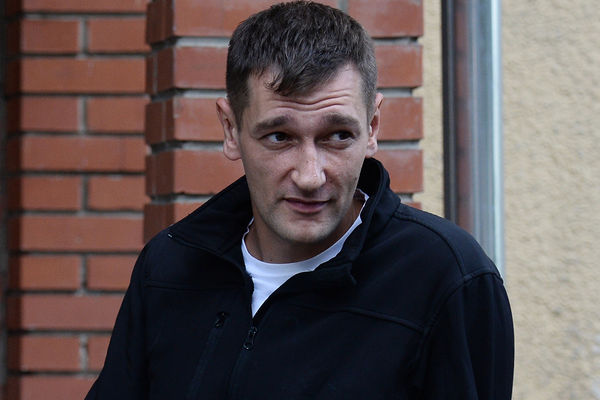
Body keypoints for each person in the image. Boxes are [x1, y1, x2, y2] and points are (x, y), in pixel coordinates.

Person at [86, 2, 514, 399]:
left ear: (372, 126)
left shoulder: (447, 279)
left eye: (338, 136)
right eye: (280, 137)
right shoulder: (169, 267)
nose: (310, 176)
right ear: (231, 129)